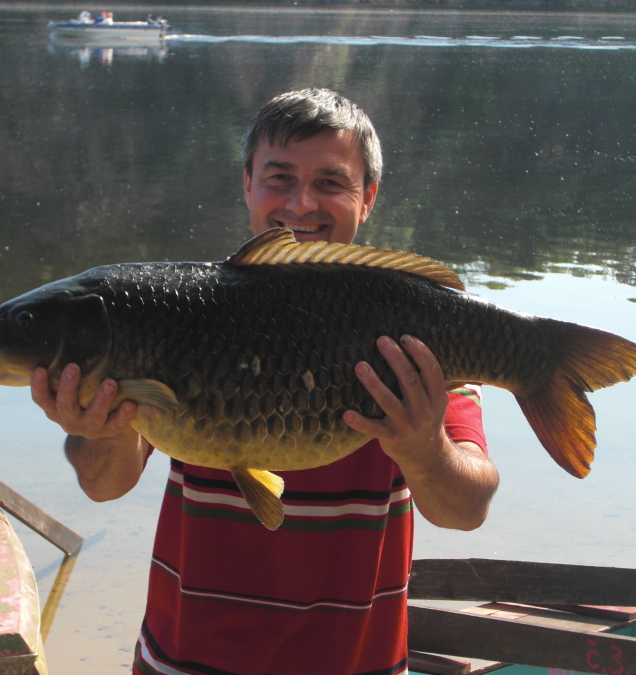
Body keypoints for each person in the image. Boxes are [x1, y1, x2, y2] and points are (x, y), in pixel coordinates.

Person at [31, 88, 499, 675]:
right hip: (184, 663)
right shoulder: (178, 311)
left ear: (368, 198)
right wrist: (100, 430)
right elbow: (104, 486)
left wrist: (427, 449)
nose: (301, 204)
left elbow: (467, 509)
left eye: (330, 182)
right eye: (280, 178)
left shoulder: (411, 329)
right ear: (248, 184)